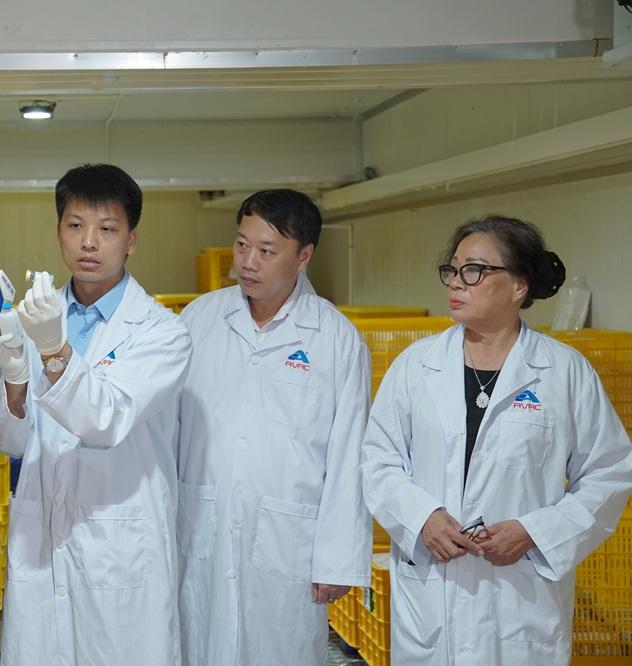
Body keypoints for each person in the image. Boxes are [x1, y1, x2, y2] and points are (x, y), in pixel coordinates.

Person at [362, 215, 632, 665]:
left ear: (519, 286)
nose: (456, 282)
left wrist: (534, 532)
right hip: (433, 599)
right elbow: (378, 461)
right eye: (452, 269)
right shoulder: (416, 366)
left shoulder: (564, 373)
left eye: (474, 270)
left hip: (518, 601)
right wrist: (423, 517)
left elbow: (608, 473)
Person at [0, 163, 190, 666]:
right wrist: (14, 376)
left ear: (131, 240)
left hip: (120, 541)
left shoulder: (161, 332)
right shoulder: (32, 318)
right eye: (75, 225)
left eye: (107, 229)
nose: (89, 242)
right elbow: (10, 440)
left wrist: (53, 350)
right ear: (59, 233)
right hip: (43, 537)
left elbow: (107, 419)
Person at [177, 189, 372, 665]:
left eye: (267, 251)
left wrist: (338, 558)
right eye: (242, 245)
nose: (248, 262)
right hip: (200, 526)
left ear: (304, 256)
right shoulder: (199, 319)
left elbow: (348, 454)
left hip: (287, 542)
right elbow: (168, 430)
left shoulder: (335, 339)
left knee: (279, 648)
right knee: (197, 642)